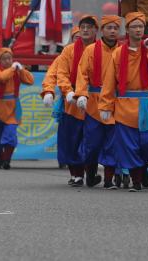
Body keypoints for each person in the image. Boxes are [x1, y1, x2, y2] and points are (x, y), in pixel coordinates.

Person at [100, 12, 148, 192]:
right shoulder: (118, 53)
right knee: (129, 146)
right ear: (128, 30)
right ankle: (136, 180)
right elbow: (109, 81)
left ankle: (143, 167)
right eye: (134, 26)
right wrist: (105, 105)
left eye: (141, 26)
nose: (138, 30)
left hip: (145, 104)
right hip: (124, 104)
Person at [74, 14, 125, 189]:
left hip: (115, 102)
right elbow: (82, 73)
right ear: (102, 30)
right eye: (109, 28)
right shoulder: (90, 50)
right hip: (94, 102)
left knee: (113, 142)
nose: (112, 31)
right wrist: (81, 94)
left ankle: (109, 179)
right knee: (92, 142)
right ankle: (90, 173)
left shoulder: (123, 50)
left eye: (116, 28)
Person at [48, 15, 98, 186]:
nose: (85, 30)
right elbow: (60, 73)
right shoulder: (68, 51)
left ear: (96, 30)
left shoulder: (101, 49)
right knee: (71, 139)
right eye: (82, 27)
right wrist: (67, 91)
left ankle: (91, 173)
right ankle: (77, 174)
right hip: (71, 102)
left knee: (91, 139)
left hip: (94, 100)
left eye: (89, 27)